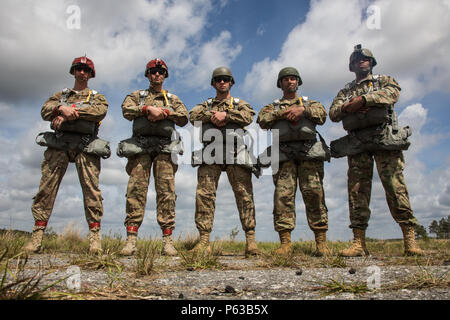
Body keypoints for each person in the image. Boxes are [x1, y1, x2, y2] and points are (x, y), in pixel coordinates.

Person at [329, 44, 424, 256]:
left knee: (395, 187)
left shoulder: (384, 81)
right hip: (358, 142)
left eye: (364, 59)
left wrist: (364, 100)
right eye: (355, 60)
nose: (360, 61)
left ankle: (410, 241)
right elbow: (333, 113)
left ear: (371, 63)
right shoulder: (345, 91)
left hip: (383, 139)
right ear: (351, 66)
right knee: (357, 191)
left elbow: (392, 94)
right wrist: (348, 106)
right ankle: (358, 243)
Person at [25, 56, 109, 254]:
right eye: (79, 69)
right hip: (59, 145)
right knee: (46, 189)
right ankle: (37, 236)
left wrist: (69, 112)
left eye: (86, 70)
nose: (82, 72)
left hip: (86, 146)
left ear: (91, 75)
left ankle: (95, 240)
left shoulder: (96, 97)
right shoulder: (60, 96)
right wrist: (59, 109)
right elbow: (45, 110)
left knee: (92, 192)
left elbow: (100, 111)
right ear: (73, 71)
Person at [257, 67, 331, 256]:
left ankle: (321, 243)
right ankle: (285, 244)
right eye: (286, 79)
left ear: (298, 82)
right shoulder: (272, 107)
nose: (290, 82)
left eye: (293, 79)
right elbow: (262, 120)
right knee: (283, 198)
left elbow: (322, 115)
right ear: (280, 83)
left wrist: (302, 110)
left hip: (308, 153)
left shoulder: (310, 103)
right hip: (283, 155)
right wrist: (283, 113)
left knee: (314, 194)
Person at [118, 58, 188, 256]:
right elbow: (125, 110)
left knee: (167, 192)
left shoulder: (172, 98)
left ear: (165, 76)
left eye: (160, 72)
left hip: (164, 149)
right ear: (147, 75)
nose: (157, 74)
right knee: (135, 191)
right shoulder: (136, 96)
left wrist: (164, 112)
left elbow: (184, 117)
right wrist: (146, 109)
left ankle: (167, 241)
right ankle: (131, 240)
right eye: (153, 71)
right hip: (140, 148)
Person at [189, 67, 260, 257]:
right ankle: (204, 241)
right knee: (204, 195)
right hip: (210, 153)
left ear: (231, 82)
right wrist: (213, 115)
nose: (222, 82)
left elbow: (249, 116)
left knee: (244, 195)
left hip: (235, 152)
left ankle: (250, 241)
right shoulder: (205, 104)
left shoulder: (239, 104)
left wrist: (226, 116)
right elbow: (192, 116)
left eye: (225, 79)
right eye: (218, 79)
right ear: (213, 83)